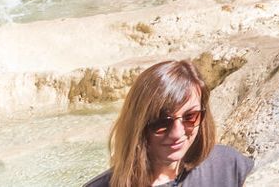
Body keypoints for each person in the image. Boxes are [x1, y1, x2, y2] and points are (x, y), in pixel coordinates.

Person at [83, 58, 253, 187]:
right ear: (138, 125)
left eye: (190, 116)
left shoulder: (229, 165)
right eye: (162, 122)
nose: (177, 133)